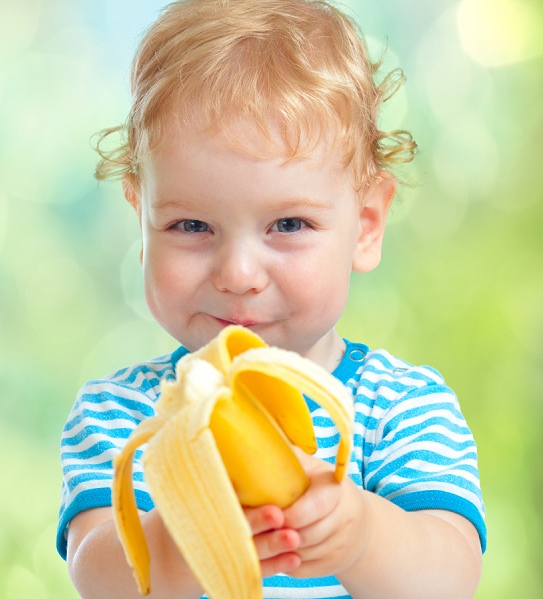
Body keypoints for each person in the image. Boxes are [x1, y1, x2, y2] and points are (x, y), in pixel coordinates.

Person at [57, 0, 486, 597]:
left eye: (287, 225)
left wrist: (363, 535)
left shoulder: (401, 409)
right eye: (190, 226)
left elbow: (451, 579)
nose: (237, 274)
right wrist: (192, 532)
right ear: (142, 219)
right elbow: (99, 578)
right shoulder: (124, 419)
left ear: (364, 226)